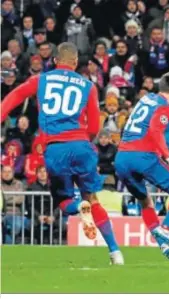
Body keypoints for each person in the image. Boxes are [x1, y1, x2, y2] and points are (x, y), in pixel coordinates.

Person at [0, 42, 124, 265]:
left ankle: (78, 207)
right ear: (76, 63)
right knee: (94, 199)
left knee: (63, 200)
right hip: (82, 146)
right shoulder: (88, 86)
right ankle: (115, 252)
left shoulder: (41, 80)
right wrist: (84, 141)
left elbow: (14, 97)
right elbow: (95, 126)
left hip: (56, 147)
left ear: (55, 61)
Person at [116, 72, 169, 261]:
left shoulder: (147, 98)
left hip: (122, 158)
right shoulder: (164, 107)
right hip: (142, 156)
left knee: (146, 202)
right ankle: (165, 230)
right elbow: (155, 130)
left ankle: (164, 246)